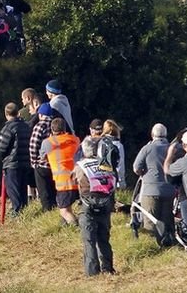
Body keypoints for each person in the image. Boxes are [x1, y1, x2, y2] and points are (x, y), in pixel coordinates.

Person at [75, 136, 117, 276]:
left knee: (89, 240)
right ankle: (108, 268)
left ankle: (92, 272)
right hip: (105, 204)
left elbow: (77, 180)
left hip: (88, 204)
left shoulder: (81, 165)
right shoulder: (104, 164)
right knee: (104, 238)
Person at [133, 122, 176, 247]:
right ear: (166, 134)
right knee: (167, 220)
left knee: (151, 221)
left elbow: (136, 168)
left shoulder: (147, 148)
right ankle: (169, 245)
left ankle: (152, 248)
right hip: (169, 189)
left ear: (152, 134)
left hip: (151, 190)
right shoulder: (172, 148)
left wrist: (143, 173)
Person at [40, 117, 80, 226]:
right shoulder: (75, 139)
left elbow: (42, 157)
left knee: (64, 211)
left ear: (51, 130)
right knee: (68, 207)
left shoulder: (48, 142)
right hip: (79, 179)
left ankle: (76, 228)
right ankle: (67, 225)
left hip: (63, 182)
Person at [0, 102, 32, 215]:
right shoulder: (27, 126)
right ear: (18, 112)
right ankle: (24, 211)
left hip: (12, 163)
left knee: (13, 190)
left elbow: (1, 148)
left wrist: (3, 158)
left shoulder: (8, 128)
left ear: (6, 114)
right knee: (23, 189)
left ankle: (16, 213)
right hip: (26, 162)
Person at [30, 103, 57, 212]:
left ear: (40, 115)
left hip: (42, 164)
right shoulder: (55, 125)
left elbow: (34, 144)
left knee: (44, 191)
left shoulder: (39, 126)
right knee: (53, 190)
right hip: (55, 164)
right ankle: (55, 209)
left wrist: (34, 161)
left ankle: (47, 211)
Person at [103, 119, 127, 188]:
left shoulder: (100, 143)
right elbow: (120, 165)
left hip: (100, 179)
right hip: (113, 179)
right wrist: (121, 182)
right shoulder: (118, 145)